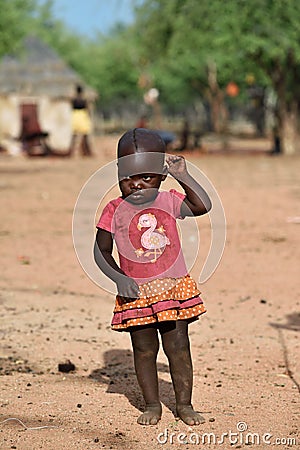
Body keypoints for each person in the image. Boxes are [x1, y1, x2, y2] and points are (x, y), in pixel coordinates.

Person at [94, 128, 212, 426]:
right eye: (128, 178)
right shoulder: (113, 210)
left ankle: (184, 404)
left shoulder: (169, 201)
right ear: (119, 174)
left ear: (161, 176)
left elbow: (202, 206)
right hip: (136, 293)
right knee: (144, 350)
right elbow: (101, 251)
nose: (136, 185)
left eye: (146, 177)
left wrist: (182, 175)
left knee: (178, 347)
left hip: (173, 291)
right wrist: (118, 277)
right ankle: (151, 405)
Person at [70, 84, 93, 156]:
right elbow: (88, 108)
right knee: (85, 135)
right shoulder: (84, 99)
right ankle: (86, 152)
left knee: (74, 135)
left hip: (75, 116)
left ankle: (71, 152)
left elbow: (70, 106)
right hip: (83, 116)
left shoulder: (73, 99)